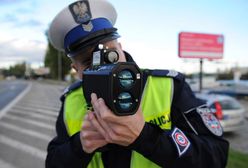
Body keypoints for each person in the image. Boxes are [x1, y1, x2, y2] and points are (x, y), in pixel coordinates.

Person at [45, 0, 229, 167]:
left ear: (121, 49)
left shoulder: (169, 87)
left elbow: (216, 156)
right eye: (88, 62)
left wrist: (146, 137)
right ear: (76, 69)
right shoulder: (71, 101)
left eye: (111, 55)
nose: (104, 68)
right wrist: (80, 146)